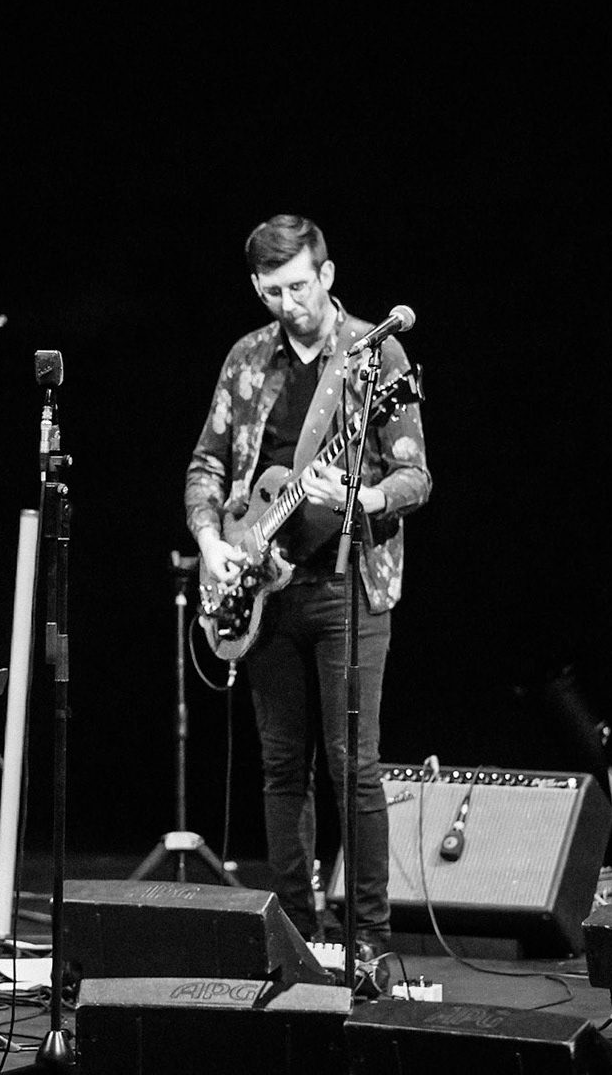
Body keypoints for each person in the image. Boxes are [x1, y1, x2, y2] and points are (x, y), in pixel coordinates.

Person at [183, 213, 430, 993]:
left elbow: (415, 477)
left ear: (326, 274)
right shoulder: (247, 358)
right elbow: (206, 465)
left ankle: (371, 942)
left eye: (299, 286)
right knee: (282, 766)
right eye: (272, 291)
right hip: (263, 587)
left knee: (354, 765)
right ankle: (293, 936)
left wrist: (356, 496)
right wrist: (212, 543)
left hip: (347, 587)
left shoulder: (376, 356)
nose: (288, 304)